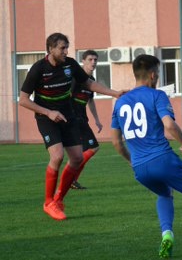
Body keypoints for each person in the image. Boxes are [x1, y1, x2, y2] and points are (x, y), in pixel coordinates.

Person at [110, 54, 182, 258]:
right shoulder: (157, 95)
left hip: (140, 168)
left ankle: (167, 234)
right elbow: (169, 124)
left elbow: (116, 142)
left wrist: (131, 161)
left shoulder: (120, 102)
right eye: (158, 73)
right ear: (153, 75)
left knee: (164, 193)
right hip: (162, 159)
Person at [19, 33, 123, 221]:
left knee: (76, 158)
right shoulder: (38, 69)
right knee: (57, 156)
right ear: (50, 49)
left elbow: (88, 83)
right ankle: (48, 202)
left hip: (68, 115)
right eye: (62, 48)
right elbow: (24, 100)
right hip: (46, 117)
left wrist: (114, 93)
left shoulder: (70, 65)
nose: (66, 51)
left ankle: (58, 200)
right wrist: (48, 112)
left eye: (67, 47)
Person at [68, 50, 104, 190]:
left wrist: (97, 120)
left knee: (82, 153)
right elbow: (67, 96)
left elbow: (90, 100)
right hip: (74, 118)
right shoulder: (76, 78)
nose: (93, 62)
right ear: (83, 61)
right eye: (90, 59)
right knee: (93, 147)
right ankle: (70, 177)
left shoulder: (91, 80)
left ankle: (72, 180)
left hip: (82, 118)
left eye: (95, 59)